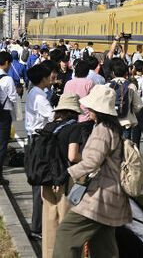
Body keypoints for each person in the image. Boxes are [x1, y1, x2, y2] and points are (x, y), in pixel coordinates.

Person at [51, 85, 131, 257]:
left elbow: (91, 162)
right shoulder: (113, 128)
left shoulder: (102, 130)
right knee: (104, 247)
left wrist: (67, 174)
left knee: (66, 232)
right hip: (113, 195)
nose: (87, 110)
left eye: (90, 107)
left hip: (99, 196)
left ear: (97, 109)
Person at [40, 94, 91, 258]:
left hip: (47, 180)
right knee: (67, 225)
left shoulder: (48, 127)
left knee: (49, 225)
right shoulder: (73, 127)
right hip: (66, 179)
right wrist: (90, 159)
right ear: (74, 111)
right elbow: (72, 156)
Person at [25, 63, 55, 240]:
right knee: (40, 185)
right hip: (39, 141)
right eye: (49, 75)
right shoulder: (40, 96)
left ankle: (38, 226)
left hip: (34, 139)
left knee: (39, 184)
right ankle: (36, 228)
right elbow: (50, 117)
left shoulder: (34, 92)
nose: (51, 78)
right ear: (43, 79)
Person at [0, 51, 22, 183]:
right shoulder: (7, 79)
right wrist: (17, 116)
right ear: (7, 63)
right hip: (3, 115)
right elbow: (13, 98)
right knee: (2, 145)